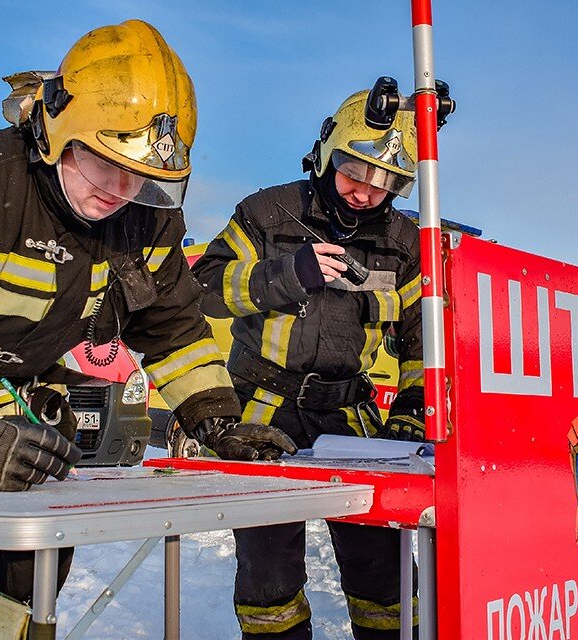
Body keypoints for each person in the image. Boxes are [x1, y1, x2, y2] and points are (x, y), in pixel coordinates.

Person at [0, 20, 294, 605]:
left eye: (146, 178)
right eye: (105, 163)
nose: (122, 189)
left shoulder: (143, 220)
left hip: (3, 382)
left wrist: (214, 420)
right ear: (57, 133)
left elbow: (174, 331)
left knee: (28, 554)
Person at [191, 87, 426, 639]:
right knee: (269, 572)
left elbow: (421, 341)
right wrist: (286, 274)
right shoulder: (266, 212)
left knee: (384, 569)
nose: (367, 193)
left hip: (351, 421)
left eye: (385, 183)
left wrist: (412, 409)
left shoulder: (406, 242)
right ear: (327, 154)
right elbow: (201, 289)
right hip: (262, 414)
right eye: (355, 174)